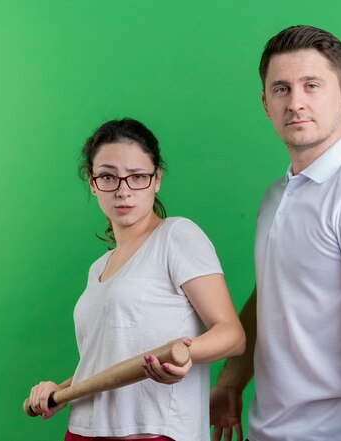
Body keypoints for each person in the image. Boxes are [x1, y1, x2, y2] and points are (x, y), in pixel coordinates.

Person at [210, 25, 341, 441]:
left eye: (312, 85)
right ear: (265, 103)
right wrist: (232, 381)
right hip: (267, 429)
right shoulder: (277, 193)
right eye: (282, 89)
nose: (296, 102)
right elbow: (272, 293)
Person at [29, 118, 246, 441]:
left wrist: (183, 355)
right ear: (91, 182)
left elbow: (232, 335)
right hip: (83, 430)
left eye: (137, 177)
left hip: (152, 432)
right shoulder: (99, 267)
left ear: (157, 179)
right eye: (108, 177)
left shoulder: (177, 236)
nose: (123, 191)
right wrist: (59, 392)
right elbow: (109, 362)